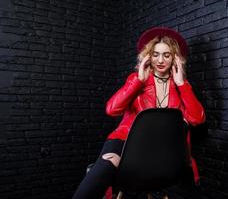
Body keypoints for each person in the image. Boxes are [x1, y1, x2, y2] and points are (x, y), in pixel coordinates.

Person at [72, 27, 206, 199]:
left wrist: (181, 84)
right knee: (108, 161)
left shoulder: (181, 85)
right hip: (127, 140)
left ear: (175, 58)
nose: (160, 60)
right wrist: (138, 81)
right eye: (156, 54)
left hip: (161, 148)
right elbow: (112, 110)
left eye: (166, 55)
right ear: (149, 56)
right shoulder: (137, 79)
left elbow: (197, 119)